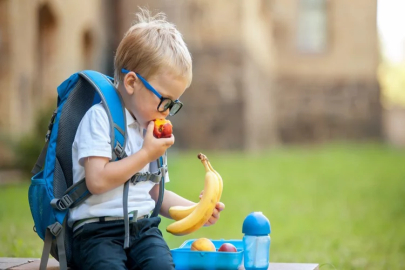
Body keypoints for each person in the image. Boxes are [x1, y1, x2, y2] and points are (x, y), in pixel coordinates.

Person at [69, 8, 225, 270]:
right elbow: (96, 180)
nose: (166, 110)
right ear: (132, 83)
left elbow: (154, 193)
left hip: (143, 230)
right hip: (98, 232)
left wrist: (198, 209)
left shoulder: (151, 129)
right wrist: (145, 154)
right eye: (164, 100)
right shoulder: (100, 119)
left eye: (174, 103)